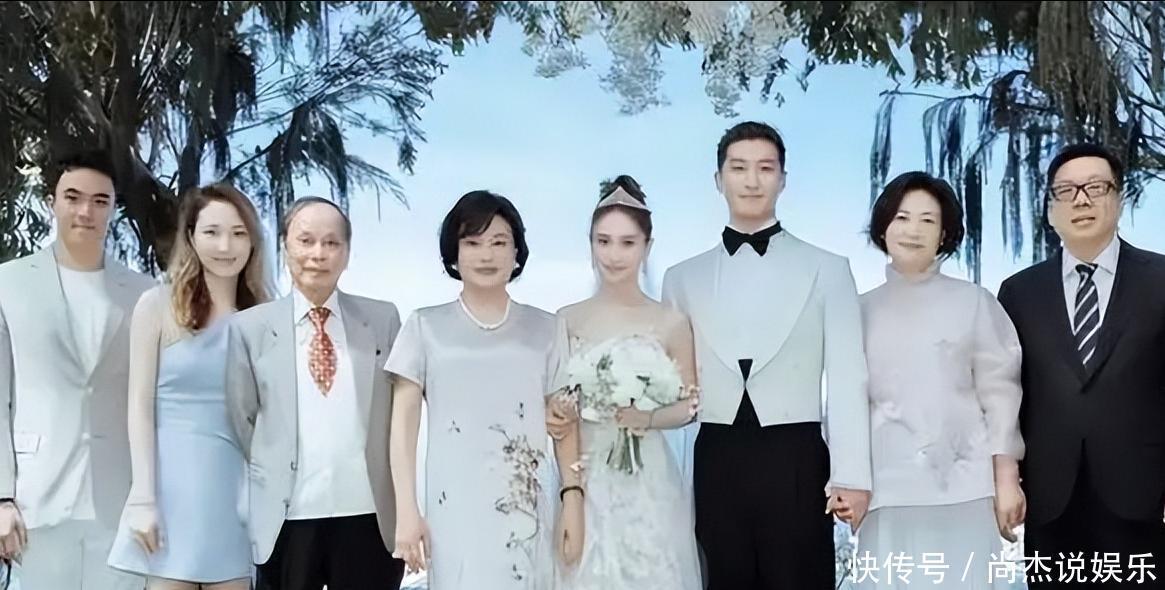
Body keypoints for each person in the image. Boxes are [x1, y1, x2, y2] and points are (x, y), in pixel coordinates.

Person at [661, 121, 872, 589]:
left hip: (796, 456)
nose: (752, 181)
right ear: (718, 179)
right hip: (715, 455)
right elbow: (673, 380)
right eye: (739, 168)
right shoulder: (681, 278)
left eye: (765, 168)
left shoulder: (828, 269)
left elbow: (847, 376)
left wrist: (853, 475)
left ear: (783, 179)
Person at [386, 190, 578, 589]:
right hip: (452, 509)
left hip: (526, 505)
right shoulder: (424, 326)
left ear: (517, 253)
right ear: (454, 254)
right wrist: (406, 511)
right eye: (472, 243)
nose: (486, 255)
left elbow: (565, 425)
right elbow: (402, 427)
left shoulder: (547, 328)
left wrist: (572, 497)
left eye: (499, 243)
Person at [997, 143, 1165, 588]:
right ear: (1050, 209)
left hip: (1144, 497)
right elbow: (1007, 396)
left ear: (1119, 198)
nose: (1081, 200)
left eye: (1095, 187)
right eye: (1066, 190)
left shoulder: (1160, 281)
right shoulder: (1018, 293)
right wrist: (1007, 478)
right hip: (1050, 500)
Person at [854, 171, 1025, 589]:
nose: (913, 230)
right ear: (883, 227)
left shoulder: (974, 302)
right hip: (887, 490)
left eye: (927, 220)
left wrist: (1006, 480)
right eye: (902, 218)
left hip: (964, 488)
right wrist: (847, 480)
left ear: (944, 234)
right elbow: (846, 404)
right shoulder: (857, 311)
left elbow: (1001, 395)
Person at [225, 197, 406, 590]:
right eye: (305, 241)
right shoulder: (249, 329)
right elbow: (242, 421)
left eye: (331, 243)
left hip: (369, 516)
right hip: (287, 519)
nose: (318, 254)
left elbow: (399, 418)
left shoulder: (382, 320)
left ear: (347, 252)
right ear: (285, 246)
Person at [0, 149, 154, 589]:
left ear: (114, 208)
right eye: (73, 197)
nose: (86, 211)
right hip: (35, 503)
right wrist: (2, 496)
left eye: (100, 201)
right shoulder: (7, 283)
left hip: (121, 508)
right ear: (52, 201)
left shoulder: (145, 293)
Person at [108, 183, 271, 588]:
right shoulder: (157, 305)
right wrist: (143, 496)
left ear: (252, 241)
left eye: (238, 233)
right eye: (212, 232)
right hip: (168, 495)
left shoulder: (266, 318)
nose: (225, 246)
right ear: (192, 236)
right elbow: (138, 406)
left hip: (236, 497)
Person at [551, 175, 702, 590]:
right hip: (585, 473)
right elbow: (558, 404)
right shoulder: (566, 319)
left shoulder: (670, 321)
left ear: (646, 247)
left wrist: (646, 418)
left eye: (627, 243)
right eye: (603, 241)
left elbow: (691, 404)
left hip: (648, 479)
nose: (614, 255)